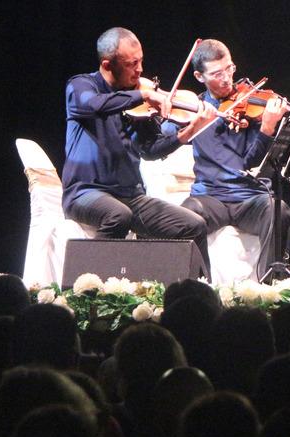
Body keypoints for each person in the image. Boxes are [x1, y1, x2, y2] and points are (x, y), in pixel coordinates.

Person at [62, 27, 216, 272]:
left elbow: (150, 150)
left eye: (141, 61)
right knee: (117, 215)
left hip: (131, 197)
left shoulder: (137, 102)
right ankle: (88, 288)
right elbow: (93, 105)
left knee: (194, 225)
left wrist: (189, 131)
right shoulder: (81, 86)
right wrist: (141, 95)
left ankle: (200, 294)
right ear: (108, 65)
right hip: (85, 193)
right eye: (132, 64)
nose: (140, 69)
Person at [171, 39, 290, 280]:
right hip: (210, 197)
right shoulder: (192, 110)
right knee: (186, 215)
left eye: (230, 69)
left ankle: (267, 286)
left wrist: (267, 129)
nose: (227, 78)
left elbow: (251, 162)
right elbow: (162, 141)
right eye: (217, 73)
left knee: (280, 212)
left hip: (248, 198)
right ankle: (196, 285)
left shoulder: (250, 105)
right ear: (199, 76)